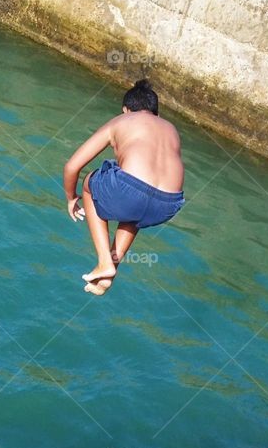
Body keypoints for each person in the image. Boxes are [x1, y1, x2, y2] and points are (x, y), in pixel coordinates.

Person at [63, 80, 185, 295]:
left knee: (90, 182)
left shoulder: (122, 121)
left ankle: (104, 261)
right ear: (156, 112)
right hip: (168, 205)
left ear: (126, 110)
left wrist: (71, 197)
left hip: (133, 193)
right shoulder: (171, 129)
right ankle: (109, 270)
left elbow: (72, 166)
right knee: (134, 208)